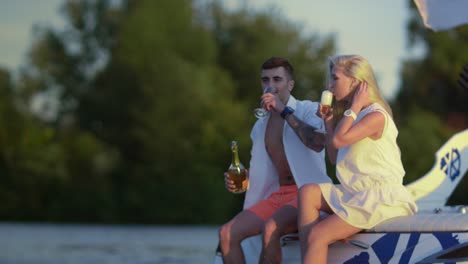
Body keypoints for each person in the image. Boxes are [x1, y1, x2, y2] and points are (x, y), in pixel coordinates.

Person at [297, 54, 418, 263]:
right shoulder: (354, 116)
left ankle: (315, 247)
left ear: (355, 82)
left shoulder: (375, 115)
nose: (329, 85)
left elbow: (337, 141)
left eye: (335, 78)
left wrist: (352, 108)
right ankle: (310, 256)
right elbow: (335, 158)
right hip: (356, 192)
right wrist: (328, 122)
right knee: (308, 192)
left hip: (380, 196)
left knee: (318, 234)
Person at [218, 57, 332, 264]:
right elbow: (266, 172)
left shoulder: (308, 109)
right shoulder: (260, 126)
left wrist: (283, 110)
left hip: (307, 194)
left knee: (270, 228)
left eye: (277, 79)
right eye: (265, 80)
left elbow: (317, 142)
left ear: (290, 84)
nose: (270, 85)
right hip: (278, 195)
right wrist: (242, 181)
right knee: (226, 234)